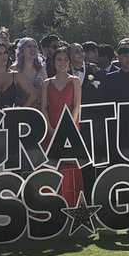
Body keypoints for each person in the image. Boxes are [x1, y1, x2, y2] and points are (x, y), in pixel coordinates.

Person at [41, 46, 84, 205]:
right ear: (53, 62)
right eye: (59, 59)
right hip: (51, 127)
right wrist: (50, 128)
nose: (63, 63)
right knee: (51, 163)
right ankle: (50, 202)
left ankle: (71, 202)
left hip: (70, 128)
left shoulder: (75, 81)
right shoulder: (47, 82)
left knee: (69, 165)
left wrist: (68, 128)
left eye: (66, 59)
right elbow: (44, 107)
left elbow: (77, 105)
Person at [14, 37, 45, 108]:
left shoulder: (42, 68)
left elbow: (46, 89)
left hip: (39, 108)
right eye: (29, 46)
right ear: (22, 49)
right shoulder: (14, 68)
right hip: (21, 108)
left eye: (35, 47)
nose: (32, 49)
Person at [0, 41, 18, 108]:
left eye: (5, 53)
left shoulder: (15, 75)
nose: (3, 56)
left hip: (11, 116)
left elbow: (33, 94)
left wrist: (20, 111)